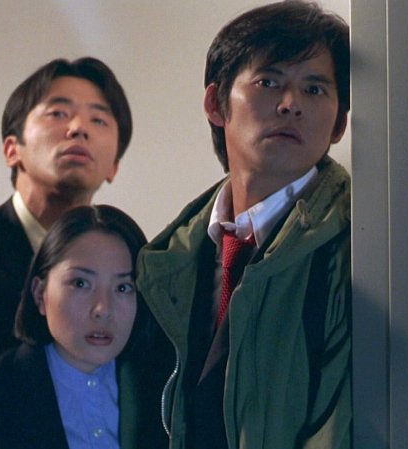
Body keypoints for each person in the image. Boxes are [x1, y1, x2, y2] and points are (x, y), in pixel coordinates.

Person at [136, 2, 352, 448]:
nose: (291, 105)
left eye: (314, 89)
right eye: (268, 82)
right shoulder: (167, 258)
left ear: (340, 124)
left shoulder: (359, 247)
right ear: (215, 103)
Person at [0, 57, 133, 387]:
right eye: (58, 113)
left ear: (113, 166)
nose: (78, 128)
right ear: (11, 149)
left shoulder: (133, 266)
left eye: (99, 119)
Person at [0, 205, 166, 449]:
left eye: (123, 288)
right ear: (40, 293)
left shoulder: (164, 393)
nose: (103, 308)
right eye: (80, 283)